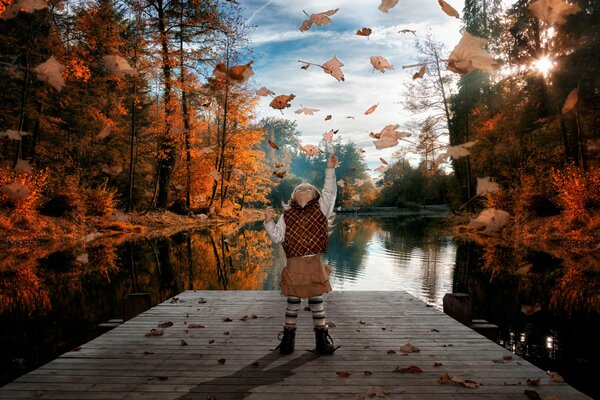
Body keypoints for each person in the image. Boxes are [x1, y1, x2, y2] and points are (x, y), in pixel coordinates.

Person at [264, 153, 339, 355]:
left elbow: (330, 191)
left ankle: (322, 340)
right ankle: (288, 339)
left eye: (308, 188)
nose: (304, 189)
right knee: (293, 302)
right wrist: (269, 222)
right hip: (294, 264)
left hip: (314, 263)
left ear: (316, 196)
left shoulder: (322, 210)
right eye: (299, 188)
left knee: (316, 301)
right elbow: (277, 237)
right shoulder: (286, 215)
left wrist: (330, 170)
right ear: (293, 197)